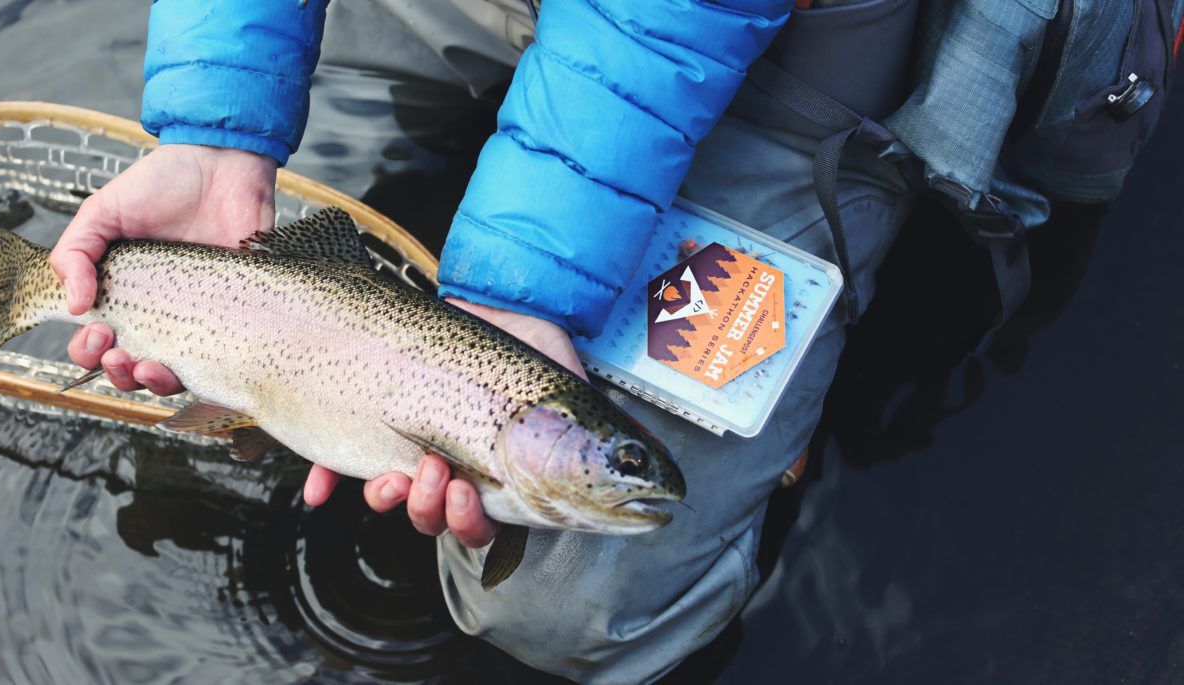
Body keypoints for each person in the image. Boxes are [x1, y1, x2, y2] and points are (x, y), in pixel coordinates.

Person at [48, 0, 917, 681]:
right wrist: (215, 119)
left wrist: (518, 291)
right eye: (622, 459)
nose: (624, 467)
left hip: (751, 50)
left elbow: (658, 23)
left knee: (567, 609)